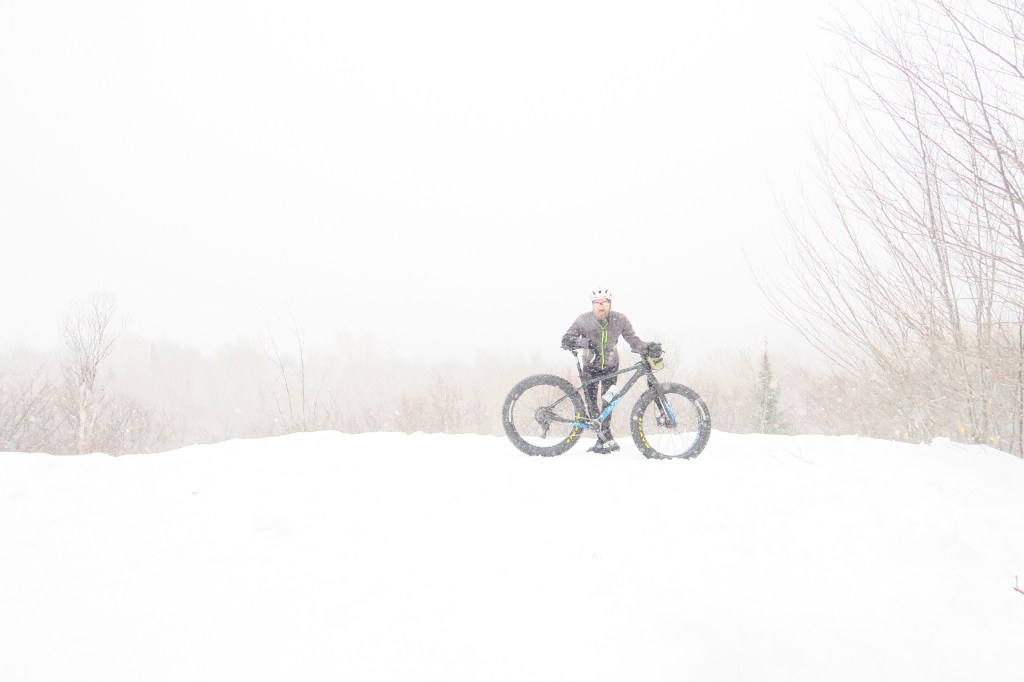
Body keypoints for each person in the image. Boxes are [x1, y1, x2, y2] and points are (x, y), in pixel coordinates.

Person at [561, 288, 659, 453]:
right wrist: (586, 343)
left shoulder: (619, 319)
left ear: (610, 304)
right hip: (590, 367)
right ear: (592, 305)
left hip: (611, 368)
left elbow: (633, 341)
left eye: (604, 303)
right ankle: (604, 439)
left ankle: (605, 440)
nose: (601, 307)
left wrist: (648, 347)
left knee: (608, 405)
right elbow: (566, 339)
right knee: (592, 405)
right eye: (597, 303)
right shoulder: (583, 320)